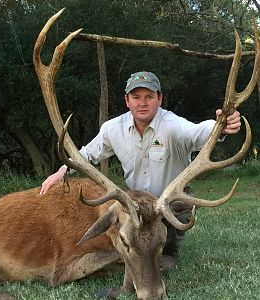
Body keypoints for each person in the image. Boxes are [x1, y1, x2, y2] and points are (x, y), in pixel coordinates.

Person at [40, 71, 241, 266]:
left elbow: (197, 132)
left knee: (164, 260)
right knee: (128, 249)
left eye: (149, 96)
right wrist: (61, 172)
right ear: (127, 101)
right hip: (135, 206)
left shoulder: (173, 125)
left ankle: (170, 247)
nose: (142, 103)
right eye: (136, 97)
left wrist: (219, 127)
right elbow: (86, 154)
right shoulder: (113, 129)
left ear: (159, 98)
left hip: (170, 206)